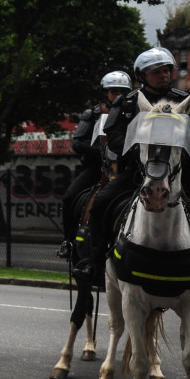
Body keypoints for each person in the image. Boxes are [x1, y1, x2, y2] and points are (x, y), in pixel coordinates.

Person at [73, 47, 190, 294]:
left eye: (167, 70)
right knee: (100, 203)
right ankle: (95, 263)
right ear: (142, 76)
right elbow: (114, 137)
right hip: (135, 174)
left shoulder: (188, 100)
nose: (164, 75)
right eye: (156, 71)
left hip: (181, 174)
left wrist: (182, 153)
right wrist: (141, 154)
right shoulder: (128, 103)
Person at [58, 71, 132, 259]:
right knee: (69, 197)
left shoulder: (134, 116)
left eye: (123, 92)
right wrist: (101, 152)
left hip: (126, 168)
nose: (118, 96)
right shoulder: (92, 114)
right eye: (113, 91)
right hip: (96, 169)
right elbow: (77, 143)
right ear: (104, 93)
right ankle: (68, 241)